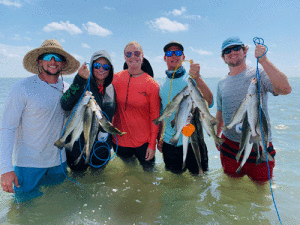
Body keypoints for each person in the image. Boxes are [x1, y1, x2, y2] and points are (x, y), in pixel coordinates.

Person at [0, 39, 80, 201]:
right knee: (24, 211)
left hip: (59, 163)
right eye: (48, 56)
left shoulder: (67, 90)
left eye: (57, 58)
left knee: (55, 206)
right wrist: (5, 168)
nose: (53, 61)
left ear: (63, 63)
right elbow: (7, 127)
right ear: (39, 61)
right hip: (28, 165)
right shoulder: (22, 87)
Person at [216, 37, 292, 183]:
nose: (232, 52)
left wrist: (263, 60)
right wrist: (216, 135)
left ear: (245, 51)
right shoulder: (221, 82)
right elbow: (220, 112)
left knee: (261, 192)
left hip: (259, 143)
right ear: (223, 57)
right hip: (229, 145)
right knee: (231, 189)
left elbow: (286, 89)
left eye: (237, 48)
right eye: (227, 50)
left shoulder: (259, 74)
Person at [157, 41, 214, 175]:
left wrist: (198, 77)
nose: (174, 56)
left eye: (178, 53)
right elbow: (162, 114)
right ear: (165, 58)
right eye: (170, 53)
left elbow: (209, 101)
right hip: (169, 143)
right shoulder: (161, 86)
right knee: (174, 184)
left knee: (201, 181)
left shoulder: (192, 79)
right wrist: (160, 137)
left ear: (183, 57)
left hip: (194, 141)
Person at [60, 50, 115, 172]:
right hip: (78, 146)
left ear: (110, 69)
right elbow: (65, 103)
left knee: (98, 184)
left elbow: (111, 117)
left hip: (101, 148)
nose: (101, 69)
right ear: (91, 66)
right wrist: (79, 79)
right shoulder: (83, 84)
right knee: (79, 185)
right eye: (97, 66)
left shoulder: (111, 88)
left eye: (105, 67)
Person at [112, 41, 160, 171]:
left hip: (143, 143)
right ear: (124, 57)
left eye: (136, 53)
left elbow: (155, 117)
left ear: (142, 56)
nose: (133, 56)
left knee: (150, 178)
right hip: (119, 141)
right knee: (130, 173)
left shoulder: (152, 84)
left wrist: (152, 145)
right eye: (128, 54)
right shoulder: (115, 79)